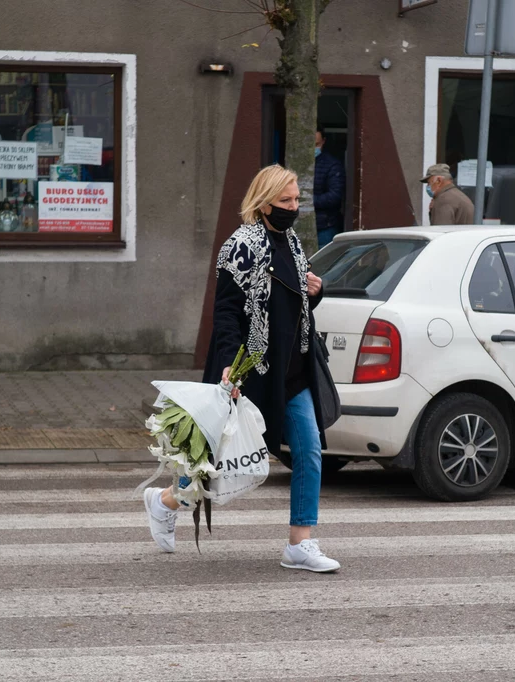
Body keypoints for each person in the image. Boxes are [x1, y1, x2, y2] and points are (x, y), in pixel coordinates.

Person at [144, 164, 340, 573]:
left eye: (296, 200)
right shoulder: (241, 246)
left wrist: (313, 293)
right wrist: (231, 367)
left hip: (294, 369)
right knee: (218, 461)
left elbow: (291, 304)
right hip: (252, 369)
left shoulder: (291, 242)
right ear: (263, 201)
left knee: (309, 452)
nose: (293, 207)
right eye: (285, 201)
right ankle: (166, 501)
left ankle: (299, 544)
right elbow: (227, 312)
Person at [314, 126, 345, 249]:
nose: (313, 148)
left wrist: (308, 201)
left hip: (325, 226)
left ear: (323, 141)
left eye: (316, 144)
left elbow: (335, 196)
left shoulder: (332, 164)